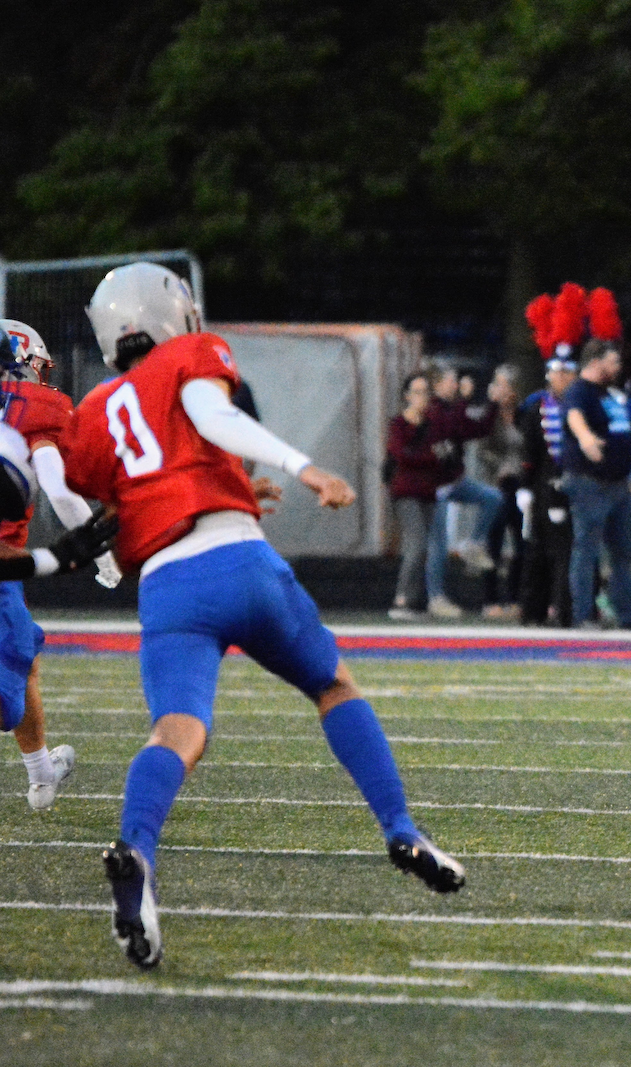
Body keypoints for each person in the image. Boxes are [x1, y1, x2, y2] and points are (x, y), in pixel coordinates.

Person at [61, 262, 464, 970]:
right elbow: (211, 417)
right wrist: (305, 468)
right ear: (172, 314)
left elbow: (131, 489)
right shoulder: (192, 354)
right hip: (241, 563)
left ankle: (138, 850)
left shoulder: (94, 410)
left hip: (167, 586)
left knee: (177, 729)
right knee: (333, 685)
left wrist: (233, 489)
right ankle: (401, 827)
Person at [0, 321, 121, 809]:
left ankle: (41, 773)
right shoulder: (33, 407)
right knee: (5, 699)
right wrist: (100, 554)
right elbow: (59, 490)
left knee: (25, 656)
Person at [562, 337, 631, 628]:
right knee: (587, 550)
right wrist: (585, 438)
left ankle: (627, 613)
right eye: (613, 361)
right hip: (591, 482)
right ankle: (583, 614)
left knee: (624, 552)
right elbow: (573, 415)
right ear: (596, 362)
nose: (618, 366)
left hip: (618, 483)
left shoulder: (608, 394)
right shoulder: (579, 390)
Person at [422, 366, 499, 618]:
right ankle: (435, 597)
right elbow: (448, 428)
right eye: (451, 380)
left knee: (492, 498)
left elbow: (476, 429)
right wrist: (464, 400)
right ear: (437, 385)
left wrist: (493, 405)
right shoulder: (433, 409)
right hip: (434, 486)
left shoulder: (452, 408)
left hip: (453, 479)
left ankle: (473, 543)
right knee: (439, 543)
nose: (456, 385)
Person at [518, 349, 576, 627]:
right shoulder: (537, 407)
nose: (560, 377)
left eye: (566, 372)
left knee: (568, 548)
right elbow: (529, 450)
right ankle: (533, 610)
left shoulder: (581, 403)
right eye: (556, 372)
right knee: (538, 548)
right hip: (544, 483)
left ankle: (567, 609)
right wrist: (525, 486)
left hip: (574, 483)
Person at [385, 373, 448, 620]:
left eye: (425, 392)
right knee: (417, 543)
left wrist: (431, 457)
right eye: (417, 392)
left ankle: (416, 600)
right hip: (406, 492)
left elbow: (443, 455)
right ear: (407, 396)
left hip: (427, 492)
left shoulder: (432, 424)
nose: (422, 398)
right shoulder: (398, 424)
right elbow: (402, 455)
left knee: (426, 547)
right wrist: (430, 456)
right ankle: (401, 599)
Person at [477, 366, 525, 618]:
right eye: (497, 384)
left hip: (521, 483)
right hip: (497, 484)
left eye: (504, 384)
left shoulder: (524, 414)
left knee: (522, 542)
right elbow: (483, 450)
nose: (499, 389)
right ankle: (490, 599)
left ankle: (515, 597)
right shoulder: (490, 415)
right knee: (493, 541)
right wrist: (499, 468)